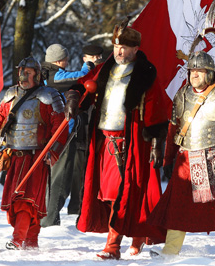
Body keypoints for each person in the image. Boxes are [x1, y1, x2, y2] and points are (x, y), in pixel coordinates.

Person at [65, 18, 168, 260]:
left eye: (123, 47)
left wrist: (156, 142)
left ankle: (113, 246)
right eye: (115, 47)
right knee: (110, 194)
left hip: (132, 143)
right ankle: (137, 234)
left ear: (135, 49)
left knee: (125, 192)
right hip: (104, 142)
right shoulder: (105, 68)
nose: (118, 52)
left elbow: (157, 109)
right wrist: (73, 97)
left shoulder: (145, 73)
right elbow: (83, 85)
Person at [147, 51, 215, 260]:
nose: (194, 74)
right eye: (192, 70)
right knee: (178, 206)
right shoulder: (182, 94)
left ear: (210, 73)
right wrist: (169, 159)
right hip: (185, 160)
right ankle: (170, 251)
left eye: (199, 70)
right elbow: (173, 129)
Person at [0, 56, 68, 250]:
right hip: (14, 157)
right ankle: (31, 242)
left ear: (38, 75)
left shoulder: (49, 96)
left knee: (26, 201)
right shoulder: (11, 95)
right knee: (22, 202)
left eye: (28, 72)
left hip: (36, 158)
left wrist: (52, 153)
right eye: (21, 71)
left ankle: (17, 240)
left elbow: (60, 128)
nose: (23, 76)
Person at [40, 44, 97, 227]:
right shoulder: (54, 75)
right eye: (65, 59)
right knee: (60, 179)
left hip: (60, 134)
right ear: (58, 60)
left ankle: (50, 218)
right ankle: (49, 221)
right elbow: (80, 76)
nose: (67, 62)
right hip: (62, 134)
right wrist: (88, 65)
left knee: (59, 178)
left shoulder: (46, 74)